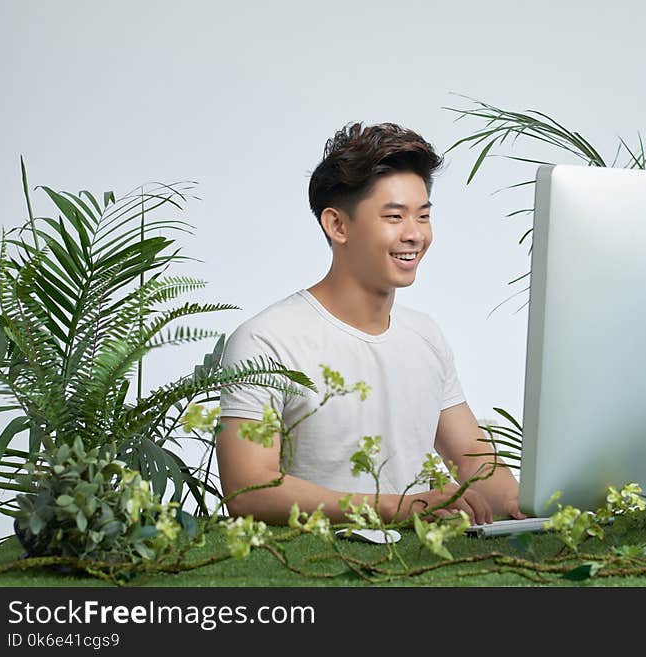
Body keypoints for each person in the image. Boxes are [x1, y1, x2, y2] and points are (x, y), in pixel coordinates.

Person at [216, 121, 525, 527]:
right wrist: (396, 506)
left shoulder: (425, 335)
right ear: (337, 225)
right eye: (394, 216)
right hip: (312, 568)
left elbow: (474, 461)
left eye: (423, 216)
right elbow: (248, 488)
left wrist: (540, 508)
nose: (415, 234)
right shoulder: (265, 342)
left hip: (421, 564)